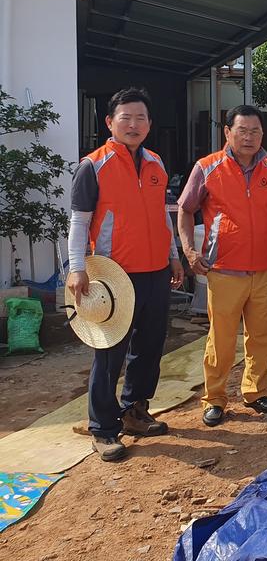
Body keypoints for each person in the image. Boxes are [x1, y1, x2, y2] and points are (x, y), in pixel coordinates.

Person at [67, 87, 185, 462]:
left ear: (149, 124)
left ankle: (135, 410)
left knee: (149, 346)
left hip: (155, 271)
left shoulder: (156, 163)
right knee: (109, 353)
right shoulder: (93, 166)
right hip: (113, 275)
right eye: (126, 118)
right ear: (110, 122)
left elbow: (162, 216)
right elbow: (78, 221)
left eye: (141, 118)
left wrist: (173, 257)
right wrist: (77, 267)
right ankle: (103, 428)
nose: (133, 125)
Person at [178, 105, 267, 427]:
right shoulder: (207, 167)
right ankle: (214, 398)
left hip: (264, 269)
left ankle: (255, 391)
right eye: (242, 130)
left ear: (262, 135)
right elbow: (185, 210)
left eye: (255, 131)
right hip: (224, 269)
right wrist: (189, 251)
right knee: (222, 339)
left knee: (263, 335)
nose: (249, 137)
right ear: (227, 132)